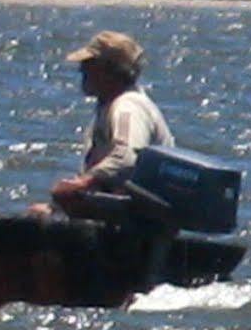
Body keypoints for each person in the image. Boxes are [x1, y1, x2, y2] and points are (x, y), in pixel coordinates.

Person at [47, 30, 173, 216]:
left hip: (137, 221)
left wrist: (83, 182)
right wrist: (55, 209)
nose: (82, 69)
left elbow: (126, 157)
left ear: (111, 70)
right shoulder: (110, 105)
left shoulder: (128, 106)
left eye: (89, 64)